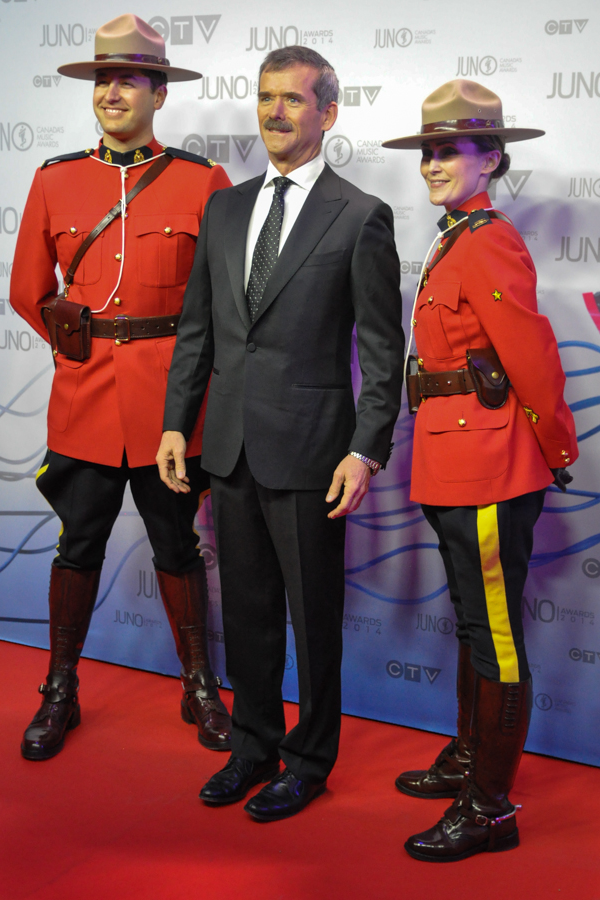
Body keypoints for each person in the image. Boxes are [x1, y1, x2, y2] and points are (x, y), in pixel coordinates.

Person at [157, 46, 404, 822]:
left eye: (292, 100)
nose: (274, 113)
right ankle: (253, 747)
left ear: (327, 112)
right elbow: (197, 330)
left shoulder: (360, 214)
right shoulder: (224, 207)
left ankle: (309, 758)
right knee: (251, 613)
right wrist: (175, 423)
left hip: (311, 452)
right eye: (266, 98)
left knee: (311, 615)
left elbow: (380, 349)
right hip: (227, 444)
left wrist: (365, 449)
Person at [10, 14, 233, 761]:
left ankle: (199, 684)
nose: (111, 91)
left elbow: (224, 301)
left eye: (128, 79)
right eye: (102, 79)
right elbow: (27, 291)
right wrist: (77, 347)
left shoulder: (204, 182)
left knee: (178, 544)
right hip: (83, 400)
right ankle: (60, 689)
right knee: (78, 546)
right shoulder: (55, 179)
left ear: (158, 93)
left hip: (172, 405)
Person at [382, 79, 578, 861]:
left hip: (493, 463)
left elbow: (530, 358)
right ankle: (469, 760)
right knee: (474, 624)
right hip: (452, 456)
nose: (433, 162)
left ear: (490, 158)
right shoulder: (452, 235)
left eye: (449, 150)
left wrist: (555, 447)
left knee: (493, 635)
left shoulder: (488, 239)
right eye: (427, 150)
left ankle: (491, 808)